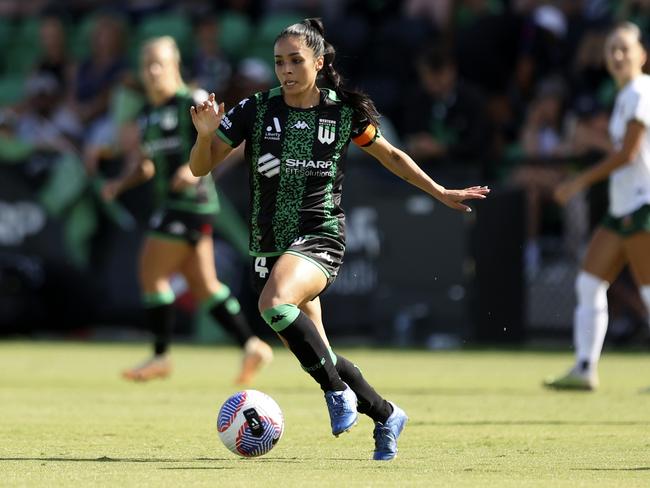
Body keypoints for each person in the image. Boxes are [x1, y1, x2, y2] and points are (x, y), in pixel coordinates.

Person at [188, 18, 489, 460]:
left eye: (295, 60)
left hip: (319, 235)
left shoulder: (341, 111)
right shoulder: (257, 108)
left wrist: (439, 191)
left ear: (320, 61)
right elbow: (200, 168)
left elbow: (391, 155)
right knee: (322, 352)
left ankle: (336, 394)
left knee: (273, 305)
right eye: (279, 62)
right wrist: (205, 135)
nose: (286, 70)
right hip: (269, 245)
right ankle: (386, 414)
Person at [102, 36, 273, 384]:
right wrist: (121, 184)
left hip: (190, 204)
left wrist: (195, 169)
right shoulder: (148, 112)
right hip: (174, 203)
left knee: (151, 272)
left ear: (174, 65)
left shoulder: (192, 102)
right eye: (147, 64)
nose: (152, 71)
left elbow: (226, 141)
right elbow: (148, 165)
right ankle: (252, 345)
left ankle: (161, 355)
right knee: (205, 286)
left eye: (159, 64)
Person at [544, 22, 650, 391]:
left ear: (642, 55)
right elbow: (626, 152)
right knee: (589, 283)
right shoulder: (625, 97)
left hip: (643, 206)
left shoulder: (640, 91)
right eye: (612, 50)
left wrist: (578, 181)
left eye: (625, 49)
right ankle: (585, 368)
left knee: (649, 291)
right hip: (624, 207)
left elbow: (629, 154)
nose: (618, 56)